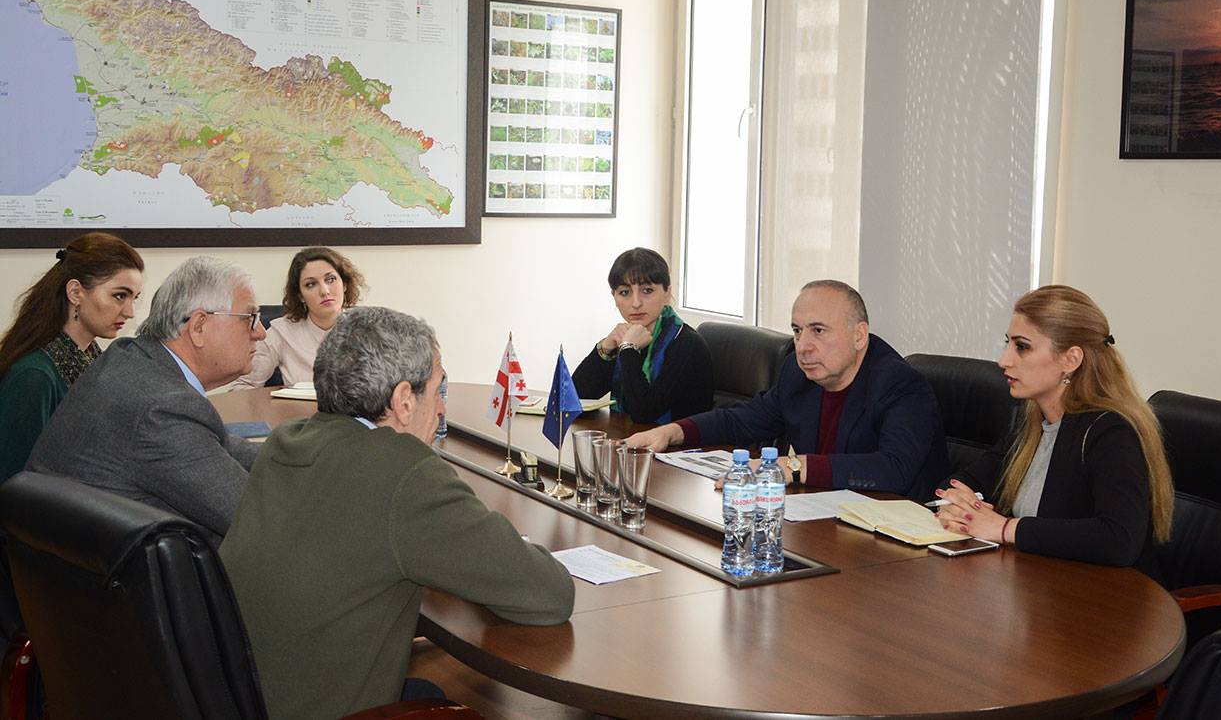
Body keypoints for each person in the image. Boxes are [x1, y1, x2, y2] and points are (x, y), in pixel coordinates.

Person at [220, 306, 574, 720]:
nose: (441, 409)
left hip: (246, 697)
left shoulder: (287, 441)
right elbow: (549, 594)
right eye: (438, 390)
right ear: (404, 401)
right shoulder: (404, 473)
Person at [626, 279, 947, 499]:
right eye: (797, 330)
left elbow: (894, 469)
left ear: (859, 335)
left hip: (897, 543)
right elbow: (744, 419)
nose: (803, 346)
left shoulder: (899, 385)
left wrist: (792, 467)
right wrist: (674, 432)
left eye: (818, 331)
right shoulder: (799, 372)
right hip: (823, 520)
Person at [934, 285, 1174, 578]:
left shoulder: (1111, 432)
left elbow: (1119, 539)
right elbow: (967, 480)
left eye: (1022, 347)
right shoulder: (1031, 422)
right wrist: (958, 503)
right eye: (1008, 343)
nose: (1003, 360)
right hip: (1039, 584)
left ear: (1070, 360)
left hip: (1104, 596)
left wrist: (1005, 528)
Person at [26, 256, 264, 546]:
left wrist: (298, 458)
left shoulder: (131, 357)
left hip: (74, 561)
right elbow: (257, 520)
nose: (260, 333)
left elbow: (218, 445)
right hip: (126, 571)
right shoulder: (162, 408)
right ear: (199, 326)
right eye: (250, 318)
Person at [0, 233, 144, 482]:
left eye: (134, 298)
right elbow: (16, 485)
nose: (130, 312)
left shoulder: (93, 359)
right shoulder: (34, 377)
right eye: (120, 295)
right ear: (76, 292)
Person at [571, 247, 713, 423]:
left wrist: (628, 349)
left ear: (667, 293)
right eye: (625, 292)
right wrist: (606, 348)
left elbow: (643, 413)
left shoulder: (687, 344)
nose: (636, 303)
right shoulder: (627, 337)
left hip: (675, 441)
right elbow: (573, 399)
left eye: (647, 291)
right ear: (614, 297)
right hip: (630, 437)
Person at [231, 245, 365, 389]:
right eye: (311, 284)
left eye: (330, 279)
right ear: (300, 295)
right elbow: (242, 386)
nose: (324, 291)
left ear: (344, 284)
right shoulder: (281, 332)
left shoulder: (369, 330)